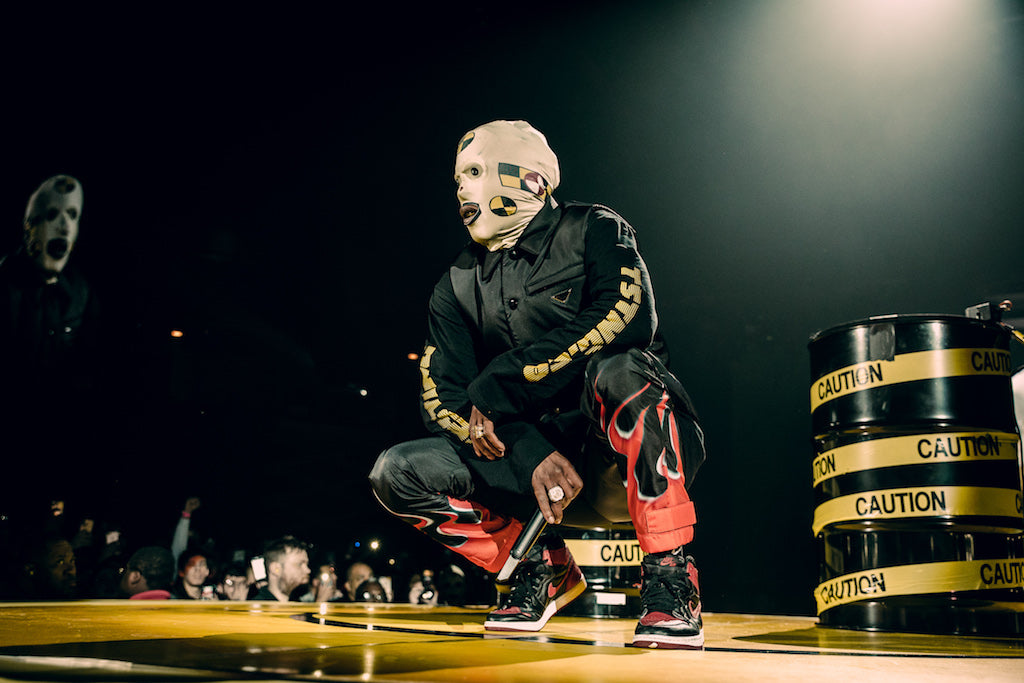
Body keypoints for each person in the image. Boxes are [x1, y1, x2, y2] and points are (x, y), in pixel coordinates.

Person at [370, 120, 707, 649]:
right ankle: (539, 566)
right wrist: (529, 454)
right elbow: (441, 399)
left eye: (475, 172)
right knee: (396, 472)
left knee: (619, 370)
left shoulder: (595, 227)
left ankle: (670, 573)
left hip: (618, 458)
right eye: (458, 178)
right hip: (530, 474)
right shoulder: (455, 283)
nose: (461, 189)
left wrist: (503, 380)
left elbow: (627, 314)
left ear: (529, 178)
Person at [251, 536, 312, 602]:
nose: (308, 570)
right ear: (276, 569)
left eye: (307, 564)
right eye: (299, 564)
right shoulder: (257, 606)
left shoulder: (299, 604)